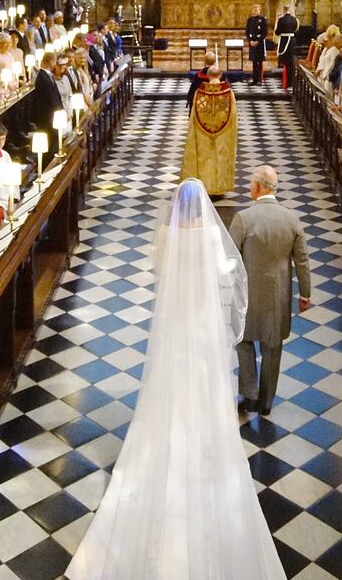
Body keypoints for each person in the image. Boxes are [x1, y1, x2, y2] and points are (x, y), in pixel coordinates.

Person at [66, 178, 285, 580]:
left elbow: (158, 270)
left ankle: (168, 438)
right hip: (201, 326)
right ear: (202, 208)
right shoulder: (210, 239)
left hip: (173, 326)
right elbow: (231, 277)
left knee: (169, 383)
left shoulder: (167, 235)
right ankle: (203, 437)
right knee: (204, 382)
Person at [230, 166, 311, 416]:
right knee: (272, 348)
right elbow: (303, 260)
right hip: (279, 298)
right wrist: (305, 294)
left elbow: (231, 258)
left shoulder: (244, 218)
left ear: (256, 188)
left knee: (244, 342)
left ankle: (250, 393)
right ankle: (266, 402)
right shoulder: (291, 219)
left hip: (247, 296)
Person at [180, 66, 237, 196]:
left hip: (202, 132)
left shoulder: (199, 92)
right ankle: (219, 188)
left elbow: (194, 113)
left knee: (204, 158)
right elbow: (233, 115)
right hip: (223, 133)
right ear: (220, 75)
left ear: (208, 76)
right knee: (219, 157)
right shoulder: (228, 92)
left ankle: (204, 186)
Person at [275, 5, 298, 90]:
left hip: (284, 41)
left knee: (285, 63)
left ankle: (285, 83)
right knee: (290, 63)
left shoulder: (281, 20)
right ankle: (290, 82)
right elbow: (296, 29)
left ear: (283, 10)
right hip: (292, 42)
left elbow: (277, 32)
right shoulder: (294, 19)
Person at [245, 5, 268, 86]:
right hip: (252, 43)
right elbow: (247, 32)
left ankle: (259, 80)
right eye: (254, 9)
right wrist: (250, 40)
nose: (256, 10)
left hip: (260, 43)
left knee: (260, 62)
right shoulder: (250, 20)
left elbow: (264, 32)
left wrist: (258, 41)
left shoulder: (262, 20)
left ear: (260, 10)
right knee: (254, 62)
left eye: (257, 9)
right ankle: (254, 80)